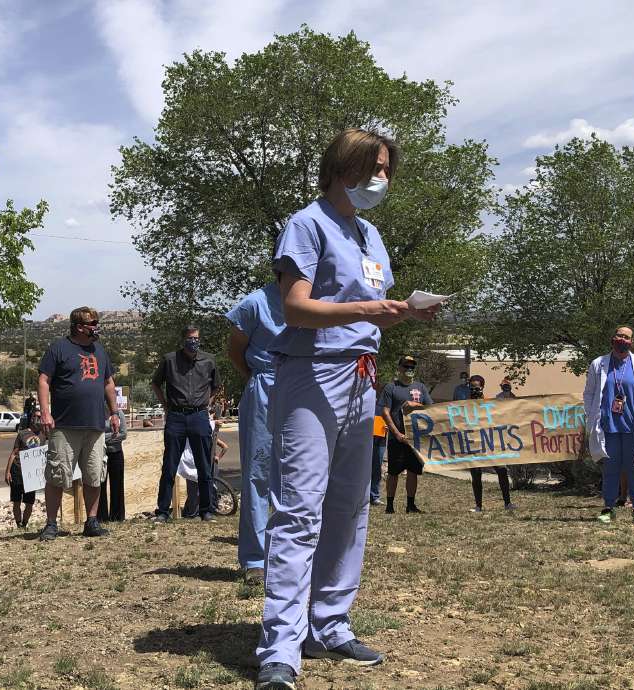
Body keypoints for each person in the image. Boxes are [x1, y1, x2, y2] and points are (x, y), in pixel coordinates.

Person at [255, 128, 437, 690]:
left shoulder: (370, 234)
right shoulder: (306, 224)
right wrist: (368, 309)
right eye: (375, 168)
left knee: (351, 505)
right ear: (344, 167)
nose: (383, 179)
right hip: (312, 373)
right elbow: (295, 308)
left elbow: (367, 309)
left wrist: (399, 313)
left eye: (387, 170)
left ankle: (329, 624)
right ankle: (280, 649)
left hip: (363, 376)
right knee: (300, 508)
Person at [36, 306, 120, 541]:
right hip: (64, 425)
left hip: (95, 424)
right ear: (79, 327)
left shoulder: (100, 350)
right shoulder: (58, 349)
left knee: (94, 474)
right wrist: (45, 412)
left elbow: (109, 383)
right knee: (57, 475)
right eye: (93, 324)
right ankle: (51, 524)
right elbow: (43, 380)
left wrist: (114, 413)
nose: (96, 327)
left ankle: (91, 521)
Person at [226, 282, 285, 582]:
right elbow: (234, 351)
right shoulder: (254, 304)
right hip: (264, 388)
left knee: (298, 474)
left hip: (302, 389)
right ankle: (255, 559)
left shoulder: (317, 298)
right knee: (258, 472)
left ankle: (290, 554)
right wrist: (257, 379)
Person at [583, 326, 634, 525]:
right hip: (608, 425)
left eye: (627, 337)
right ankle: (608, 507)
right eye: (619, 335)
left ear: (632, 342)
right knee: (610, 468)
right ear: (612, 338)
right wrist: (591, 416)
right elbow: (589, 393)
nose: (622, 339)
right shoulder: (598, 364)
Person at [152, 325, 222, 523]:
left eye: (196, 338)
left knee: (204, 465)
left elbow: (216, 386)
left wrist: (207, 404)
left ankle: (206, 510)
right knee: (170, 465)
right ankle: (163, 512)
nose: (194, 341)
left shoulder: (209, 360)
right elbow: (156, 383)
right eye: (190, 338)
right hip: (176, 416)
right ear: (183, 340)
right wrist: (165, 405)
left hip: (199, 416)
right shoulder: (169, 360)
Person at [379, 355, 433, 514]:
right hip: (397, 438)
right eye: (406, 366)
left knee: (413, 471)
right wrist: (396, 433)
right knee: (393, 472)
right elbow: (385, 412)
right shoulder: (391, 388)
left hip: (415, 438)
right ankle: (390, 506)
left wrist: (414, 404)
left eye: (412, 367)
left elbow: (431, 408)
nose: (409, 369)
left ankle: (411, 505)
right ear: (399, 368)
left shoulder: (421, 387)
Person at [457, 376, 515, 512]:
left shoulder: (491, 403)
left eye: (477, 388)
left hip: (491, 442)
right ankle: (478, 506)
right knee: (476, 474)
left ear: (482, 387)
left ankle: (507, 503)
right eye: (472, 388)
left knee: (501, 470)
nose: (474, 390)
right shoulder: (464, 405)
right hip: (474, 444)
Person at [3, 415, 43, 528]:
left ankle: (24, 524)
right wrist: (7, 472)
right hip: (18, 471)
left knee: (29, 502)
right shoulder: (22, 434)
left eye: (40, 416)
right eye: (36, 416)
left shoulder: (44, 434)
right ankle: (18, 524)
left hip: (32, 474)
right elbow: (14, 453)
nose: (38, 419)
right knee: (16, 501)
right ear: (32, 418)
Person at [99, 408, 127, 522]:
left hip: (116, 453)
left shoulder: (119, 413)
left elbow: (123, 434)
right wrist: (113, 435)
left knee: (117, 485)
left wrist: (103, 438)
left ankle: (117, 517)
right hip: (101, 454)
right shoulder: (98, 412)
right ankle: (101, 517)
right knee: (100, 485)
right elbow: (96, 435)